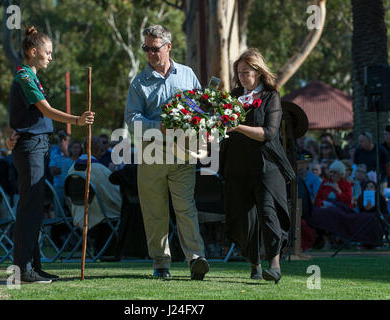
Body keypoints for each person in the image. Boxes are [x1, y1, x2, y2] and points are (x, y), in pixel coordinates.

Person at [5, 26, 94, 284]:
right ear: (33, 52)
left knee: (35, 209)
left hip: (39, 146)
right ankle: (23, 269)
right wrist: (77, 120)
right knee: (29, 210)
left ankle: (34, 266)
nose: (50, 58)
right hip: (30, 147)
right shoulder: (24, 77)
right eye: (48, 53)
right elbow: (46, 110)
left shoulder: (30, 77)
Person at [124, 24, 208, 280]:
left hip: (183, 154)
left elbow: (200, 106)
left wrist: (200, 121)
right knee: (155, 211)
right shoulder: (139, 83)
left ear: (168, 46)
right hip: (152, 155)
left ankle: (196, 259)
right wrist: (157, 126)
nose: (150, 53)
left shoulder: (187, 75)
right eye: (146, 48)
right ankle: (161, 264)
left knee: (186, 208)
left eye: (155, 48)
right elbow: (131, 121)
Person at [223, 48, 294, 284]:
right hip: (237, 166)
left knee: (268, 213)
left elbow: (269, 133)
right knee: (245, 218)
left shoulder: (271, 96)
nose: (242, 76)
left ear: (259, 72)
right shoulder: (233, 95)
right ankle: (254, 264)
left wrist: (237, 127)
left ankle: (274, 265)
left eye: (247, 72)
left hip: (266, 166)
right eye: (239, 72)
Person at [49, 131, 74, 206]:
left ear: (69, 140)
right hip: (58, 186)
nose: (62, 141)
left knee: (72, 212)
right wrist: (66, 169)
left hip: (71, 186)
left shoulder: (74, 150)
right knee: (59, 213)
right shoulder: (54, 152)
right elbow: (53, 171)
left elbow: (75, 167)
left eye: (64, 139)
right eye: (60, 139)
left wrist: (66, 152)